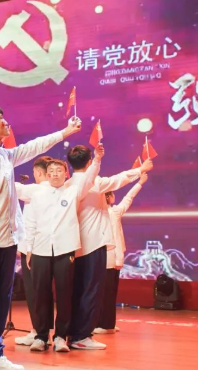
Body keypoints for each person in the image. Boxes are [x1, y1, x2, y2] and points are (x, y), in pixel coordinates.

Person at [0, 104, 82, 370]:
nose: (7, 123)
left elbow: (35, 146)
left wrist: (66, 131)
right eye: (1, 120)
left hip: (7, 241)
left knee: (2, 298)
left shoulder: (6, 156)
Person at [66, 146, 153, 350]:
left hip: (74, 245)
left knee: (78, 290)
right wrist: (141, 170)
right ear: (89, 162)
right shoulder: (94, 183)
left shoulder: (68, 184)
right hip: (94, 245)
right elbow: (119, 179)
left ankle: (73, 332)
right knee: (91, 291)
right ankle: (81, 336)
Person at [24, 148, 103, 353]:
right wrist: (29, 248)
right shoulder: (38, 194)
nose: (54, 174)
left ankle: (60, 336)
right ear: (47, 174)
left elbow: (89, 178)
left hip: (65, 249)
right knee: (40, 294)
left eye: (59, 170)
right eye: (51, 171)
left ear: (66, 173)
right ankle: (41, 336)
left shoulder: (73, 191)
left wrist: (97, 160)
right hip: (40, 249)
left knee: (64, 294)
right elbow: (30, 223)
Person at [94, 173, 149, 334]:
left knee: (107, 292)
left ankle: (107, 323)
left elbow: (127, 198)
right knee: (107, 292)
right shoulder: (111, 212)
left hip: (108, 258)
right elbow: (128, 198)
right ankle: (105, 324)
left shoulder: (110, 212)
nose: (114, 196)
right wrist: (139, 182)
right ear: (107, 197)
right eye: (111, 194)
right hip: (108, 257)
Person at [12, 156, 53, 346]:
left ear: (38, 172)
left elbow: (12, 187)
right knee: (43, 292)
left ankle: (38, 332)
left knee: (34, 292)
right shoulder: (56, 190)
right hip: (45, 248)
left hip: (33, 249)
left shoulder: (37, 190)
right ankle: (43, 331)